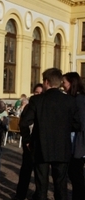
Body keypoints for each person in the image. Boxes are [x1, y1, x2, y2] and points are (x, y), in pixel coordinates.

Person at [19, 68, 80, 200]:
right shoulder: (69, 100)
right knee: (61, 186)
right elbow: (77, 124)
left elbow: (24, 123)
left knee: (41, 186)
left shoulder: (37, 100)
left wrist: (27, 140)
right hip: (62, 147)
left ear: (46, 82)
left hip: (41, 146)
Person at [13, 83, 43, 200]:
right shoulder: (28, 107)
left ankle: (38, 194)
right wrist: (26, 140)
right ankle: (20, 195)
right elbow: (23, 124)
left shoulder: (44, 108)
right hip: (29, 143)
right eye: (36, 92)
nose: (38, 95)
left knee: (39, 172)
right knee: (25, 170)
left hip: (40, 144)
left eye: (41, 93)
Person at [62, 72, 85, 200]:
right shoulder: (76, 99)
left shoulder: (79, 99)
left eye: (64, 82)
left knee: (76, 175)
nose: (63, 85)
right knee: (75, 175)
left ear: (71, 83)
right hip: (76, 143)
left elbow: (81, 123)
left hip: (78, 144)